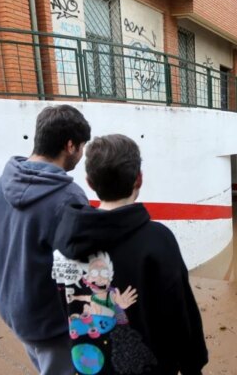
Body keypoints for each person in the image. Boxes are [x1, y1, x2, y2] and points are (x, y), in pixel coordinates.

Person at [51, 134, 208, 375]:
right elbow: (179, 312)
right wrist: (192, 365)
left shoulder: (62, 240)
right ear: (139, 179)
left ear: (89, 182)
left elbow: (63, 304)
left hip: (89, 366)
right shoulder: (158, 240)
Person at [0, 105, 91, 375]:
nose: (81, 155)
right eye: (81, 147)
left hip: (15, 310)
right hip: (50, 323)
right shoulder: (68, 197)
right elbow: (79, 269)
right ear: (69, 145)